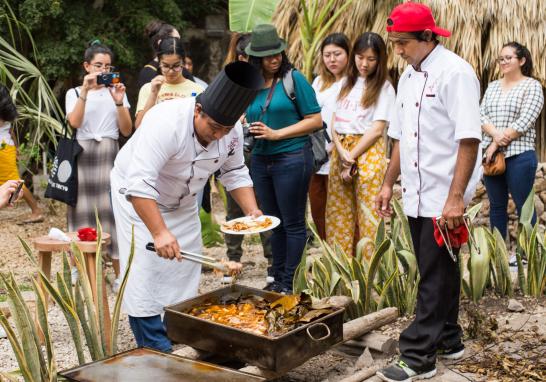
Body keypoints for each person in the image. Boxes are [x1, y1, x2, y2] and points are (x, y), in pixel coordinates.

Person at [111, 61, 264, 352]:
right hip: (137, 198)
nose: (219, 135)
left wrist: (252, 211)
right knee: (145, 272)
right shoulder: (164, 122)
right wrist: (159, 232)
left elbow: (234, 173)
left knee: (184, 270)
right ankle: (153, 346)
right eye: (215, 127)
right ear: (198, 110)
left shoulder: (230, 132)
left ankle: (179, 333)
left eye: (227, 129)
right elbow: (139, 185)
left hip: (184, 201)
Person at [374, 3, 482, 381]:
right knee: (438, 268)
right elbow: (401, 136)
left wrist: (456, 198)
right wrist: (389, 182)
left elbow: (469, 139)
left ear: (427, 37)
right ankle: (450, 340)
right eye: (395, 43)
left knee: (433, 275)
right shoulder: (407, 77)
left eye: (403, 43)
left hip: (444, 192)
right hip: (417, 191)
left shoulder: (456, 73)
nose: (398, 50)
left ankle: (419, 358)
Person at [245, 24, 322, 294]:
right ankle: (276, 278)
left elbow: (315, 120)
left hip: (291, 157)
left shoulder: (293, 79)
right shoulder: (251, 84)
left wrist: (277, 134)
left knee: (292, 223)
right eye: (267, 56)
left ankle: (290, 281)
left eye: (277, 53)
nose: (274, 59)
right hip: (260, 160)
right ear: (256, 58)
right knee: (272, 223)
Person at [66, 40, 132, 290]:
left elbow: (126, 130)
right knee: (80, 212)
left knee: (111, 214)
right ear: (86, 66)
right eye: (98, 65)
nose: (103, 70)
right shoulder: (73, 93)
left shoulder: (117, 92)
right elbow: (74, 122)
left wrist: (118, 101)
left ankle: (117, 274)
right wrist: (85, 91)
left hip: (109, 155)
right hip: (82, 157)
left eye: (107, 66)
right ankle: (77, 268)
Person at [325, 32, 394, 257]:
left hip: (367, 150)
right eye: (360, 57)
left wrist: (351, 155)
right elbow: (333, 121)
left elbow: (377, 129)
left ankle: (371, 273)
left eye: (371, 59)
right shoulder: (345, 83)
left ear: (380, 60)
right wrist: (342, 151)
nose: (364, 63)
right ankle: (341, 269)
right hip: (341, 148)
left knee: (369, 214)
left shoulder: (384, 87)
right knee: (337, 213)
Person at [481, 41, 544, 264]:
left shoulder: (532, 86)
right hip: (492, 158)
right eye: (501, 58)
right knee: (496, 206)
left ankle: (529, 258)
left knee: (523, 206)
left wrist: (495, 143)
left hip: (519, 154)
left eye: (509, 57)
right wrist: (495, 140)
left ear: (522, 60)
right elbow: (481, 116)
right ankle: (499, 256)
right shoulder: (492, 87)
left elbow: (525, 120)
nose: (504, 62)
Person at [220, 32, 273, 284]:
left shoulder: (269, 81)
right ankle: (233, 258)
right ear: (243, 57)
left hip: (264, 148)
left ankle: (272, 260)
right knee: (234, 207)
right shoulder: (230, 78)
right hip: (236, 149)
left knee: (262, 205)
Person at [309, 33, 350, 241]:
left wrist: (338, 145)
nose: (332, 60)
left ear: (348, 54)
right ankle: (327, 253)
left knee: (338, 210)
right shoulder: (318, 82)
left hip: (340, 154)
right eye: (327, 55)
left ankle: (343, 256)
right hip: (316, 154)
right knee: (318, 208)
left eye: (337, 54)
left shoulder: (353, 83)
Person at [135, 37, 203, 129]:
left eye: (176, 66)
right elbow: (139, 127)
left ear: (183, 62)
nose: (171, 71)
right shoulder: (148, 88)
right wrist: (154, 94)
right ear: (159, 63)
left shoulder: (197, 90)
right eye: (166, 66)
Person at [0, 85, 43, 223]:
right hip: (6, 147)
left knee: (14, 182)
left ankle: (36, 211)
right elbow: (10, 131)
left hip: (3, 150)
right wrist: (16, 146)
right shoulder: (6, 110)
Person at [138, 20, 194, 88]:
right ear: (160, 43)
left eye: (176, 66)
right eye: (175, 39)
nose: (171, 71)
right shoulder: (148, 73)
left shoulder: (182, 71)